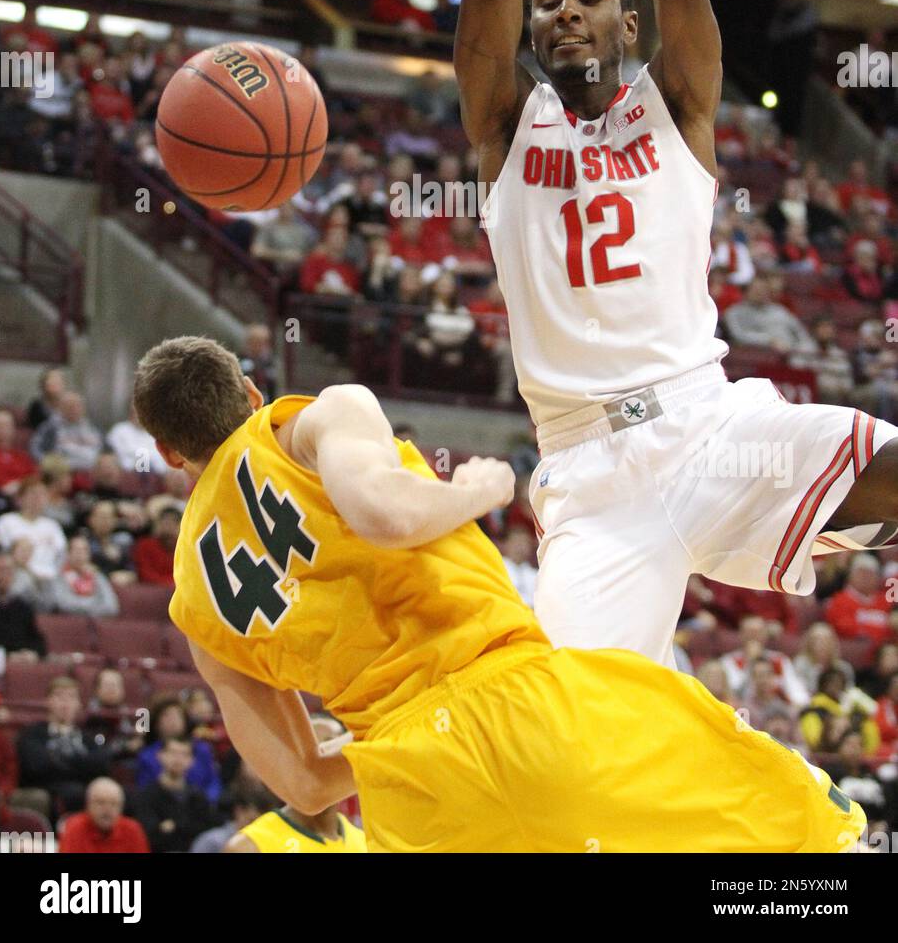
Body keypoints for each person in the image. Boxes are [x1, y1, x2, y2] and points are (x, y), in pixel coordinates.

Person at [454, 0, 898, 668]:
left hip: (712, 427)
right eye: (548, 2)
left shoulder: (679, 105)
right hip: (587, 470)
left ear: (629, 28)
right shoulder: (506, 125)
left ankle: (844, 553)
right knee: (576, 717)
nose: (565, 12)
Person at [128, 335, 865, 853]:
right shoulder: (309, 419)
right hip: (521, 709)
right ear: (252, 393)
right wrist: (477, 488)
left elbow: (305, 783)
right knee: (800, 831)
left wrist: (397, 742)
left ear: (166, 450)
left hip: (414, 797)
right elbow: (386, 515)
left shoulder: (193, 606)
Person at [223, 716, 366, 854]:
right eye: (312, 751)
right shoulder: (249, 847)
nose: (321, 764)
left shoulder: (365, 842)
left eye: (331, 748)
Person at [17, 676, 111, 815]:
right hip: (48, 787)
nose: (65, 703)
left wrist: (59, 760)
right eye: (59, 696)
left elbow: (101, 764)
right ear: (48, 701)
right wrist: (80, 764)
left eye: (71, 697)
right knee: (74, 793)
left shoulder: (87, 737)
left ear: (79, 704)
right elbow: (36, 765)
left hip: (82, 787)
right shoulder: (33, 733)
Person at [132, 736, 215, 853]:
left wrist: (173, 826)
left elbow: (205, 831)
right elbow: (150, 835)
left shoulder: (198, 797)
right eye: (173, 753)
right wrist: (184, 827)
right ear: (160, 755)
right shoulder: (146, 796)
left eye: (184, 754)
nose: (178, 759)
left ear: (191, 760)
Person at [0, 475, 66, 585]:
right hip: (18, 577)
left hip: (50, 578)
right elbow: (2, 555)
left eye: (42, 494)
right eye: (33, 494)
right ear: (20, 498)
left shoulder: (53, 526)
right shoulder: (6, 521)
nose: (37, 499)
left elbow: (61, 556)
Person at [58, 777, 149, 854]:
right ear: (88, 805)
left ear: (121, 808)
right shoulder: (74, 828)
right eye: (100, 803)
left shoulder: (132, 830)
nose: (107, 810)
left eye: (114, 804)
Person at [48, 535, 120, 618]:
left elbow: (112, 607)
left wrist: (86, 610)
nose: (80, 555)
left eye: (84, 551)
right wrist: (94, 605)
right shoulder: (58, 576)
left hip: (97, 622)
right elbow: (64, 604)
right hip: (70, 622)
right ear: (68, 554)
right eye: (77, 551)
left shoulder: (97, 576)